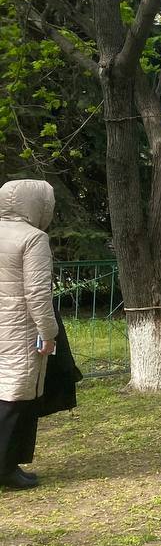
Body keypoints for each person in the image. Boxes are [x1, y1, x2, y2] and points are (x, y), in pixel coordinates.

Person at [0, 180, 59, 490]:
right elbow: (37, 292)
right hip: (18, 327)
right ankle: (5, 468)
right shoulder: (33, 238)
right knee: (14, 397)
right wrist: (48, 332)